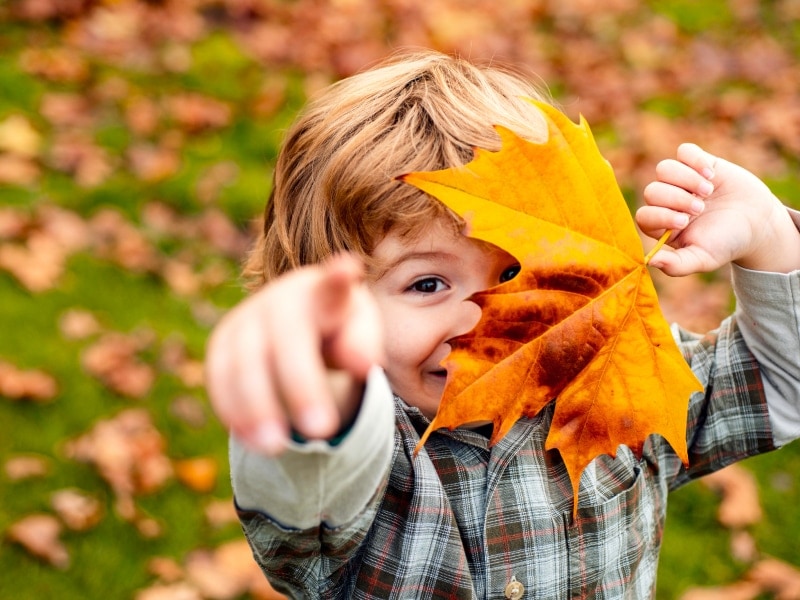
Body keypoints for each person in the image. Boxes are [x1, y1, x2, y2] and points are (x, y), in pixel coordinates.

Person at [205, 50, 800, 599]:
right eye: (427, 284)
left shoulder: (622, 386)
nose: (481, 315)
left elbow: (780, 377)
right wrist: (313, 385)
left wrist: (769, 235)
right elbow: (307, 475)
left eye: (516, 271)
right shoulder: (370, 470)